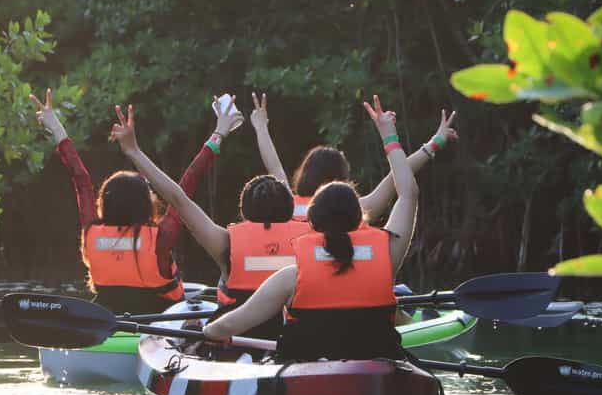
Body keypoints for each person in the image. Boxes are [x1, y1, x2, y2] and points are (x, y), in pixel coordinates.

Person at [203, 95, 418, 362]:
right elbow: (408, 194)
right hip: (377, 367)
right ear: (359, 218)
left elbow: (228, 325)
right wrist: (389, 135)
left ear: (312, 223)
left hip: (305, 376)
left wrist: (208, 331)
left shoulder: (291, 276)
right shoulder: (387, 253)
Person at [108, 96, 309, 340]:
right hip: (289, 344)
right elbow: (278, 172)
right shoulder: (307, 238)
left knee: (193, 330)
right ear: (289, 209)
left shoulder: (226, 244)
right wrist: (261, 128)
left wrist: (134, 151)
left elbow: (177, 198)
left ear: (245, 212)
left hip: (235, 345)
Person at [29, 88, 241, 314]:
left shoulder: (91, 230)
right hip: (159, 323)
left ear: (105, 203)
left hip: (109, 319)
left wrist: (55, 127)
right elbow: (187, 185)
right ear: (146, 205)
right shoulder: (161, 238)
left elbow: (80, 178)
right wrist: (219, 132)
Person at [251, 91, 456, 223]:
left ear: (305, 174)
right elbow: (398, 177)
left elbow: (275, 168)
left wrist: (260, 126)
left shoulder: (286, 207)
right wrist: (433, 144)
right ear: (342, 178)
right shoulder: (357, 210)